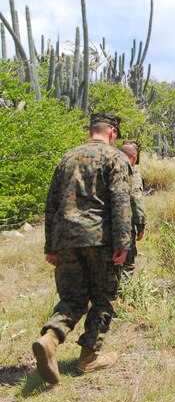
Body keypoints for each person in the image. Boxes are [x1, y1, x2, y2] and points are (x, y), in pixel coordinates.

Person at [32, 113, 132, 385]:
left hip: (65, 239)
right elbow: (122, 202)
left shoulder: (66, 158)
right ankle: (88, 357)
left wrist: (50, 245)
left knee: (73, 297)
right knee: (102, 298)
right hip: (99, 238)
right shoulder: (115, 158)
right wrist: (123, 243)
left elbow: (51, 204)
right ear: (111, 131)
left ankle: (50, 337)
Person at [119, 141, 146, 283]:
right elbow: (136, 199)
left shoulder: (106, 170)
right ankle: (119, 297)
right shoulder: (132, 173)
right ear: (135, 157)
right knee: (127, 264)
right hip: (125, 227)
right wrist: (141, 224)